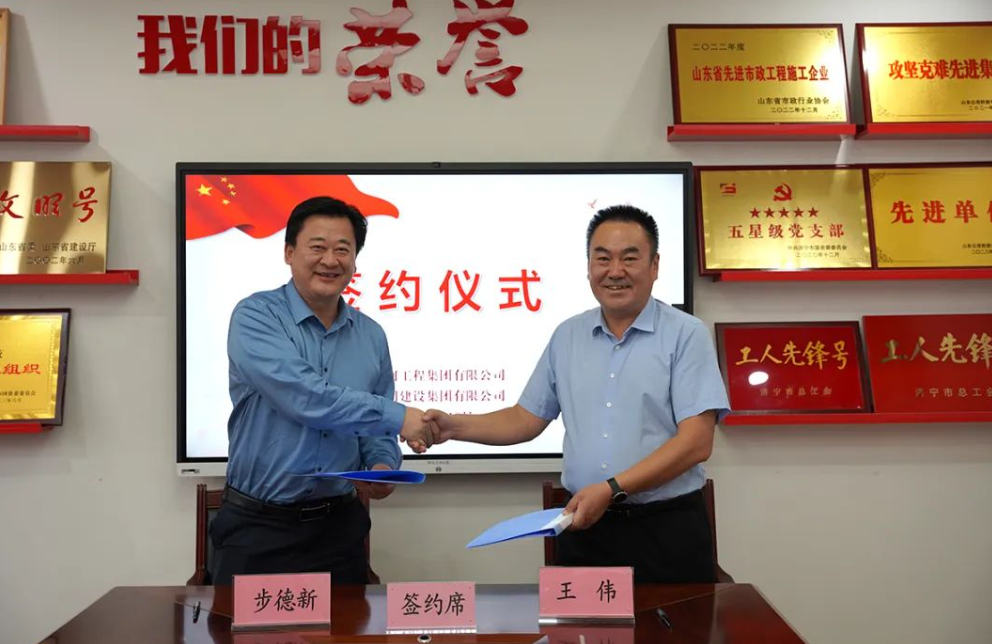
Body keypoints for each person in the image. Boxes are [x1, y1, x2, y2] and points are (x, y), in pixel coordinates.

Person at [422, 205, 730, 583]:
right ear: (588, 267)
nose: (614, 271)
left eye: (629, 258)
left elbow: (696, 442)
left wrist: (612, 489)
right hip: (585, 529)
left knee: (677, 621)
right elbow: (525, 418)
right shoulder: (567, 336)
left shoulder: (686, 334)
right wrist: (454, 427)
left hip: (666, 529)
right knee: (582, 622)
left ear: (655, 266)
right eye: (602, 258)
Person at [210, 196, 432, 585]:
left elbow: (376, 432)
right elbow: (305, 397)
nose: (330, 260)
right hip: (258, 529)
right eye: (317, 247)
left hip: (338, 530)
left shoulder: (371, 335)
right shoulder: (256, 317)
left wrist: (382, 466)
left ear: (355, 260)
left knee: (347, 624)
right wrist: (400, 417)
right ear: (289, 252)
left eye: (342, 249)